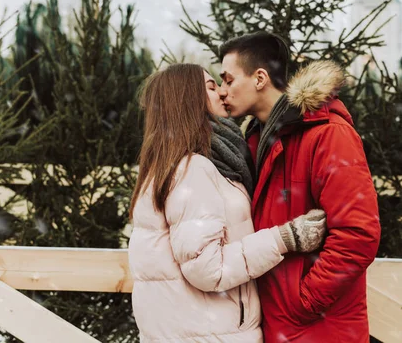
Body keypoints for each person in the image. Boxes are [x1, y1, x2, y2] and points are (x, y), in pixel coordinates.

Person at [127, 63, 327, 343]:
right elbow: (208, 270)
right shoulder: (192, 168)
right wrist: (285, 238)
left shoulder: (171, 166)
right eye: (210, 87)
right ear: (188, 99)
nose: (222, 93)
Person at [219, 32, 381, 342]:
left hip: (318, 329)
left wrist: (304, 301)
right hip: (274, 325)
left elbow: (358, 235)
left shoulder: (328, 135)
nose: (224, 91)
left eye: (228, 80)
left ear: (260, 78)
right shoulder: (254, 141)